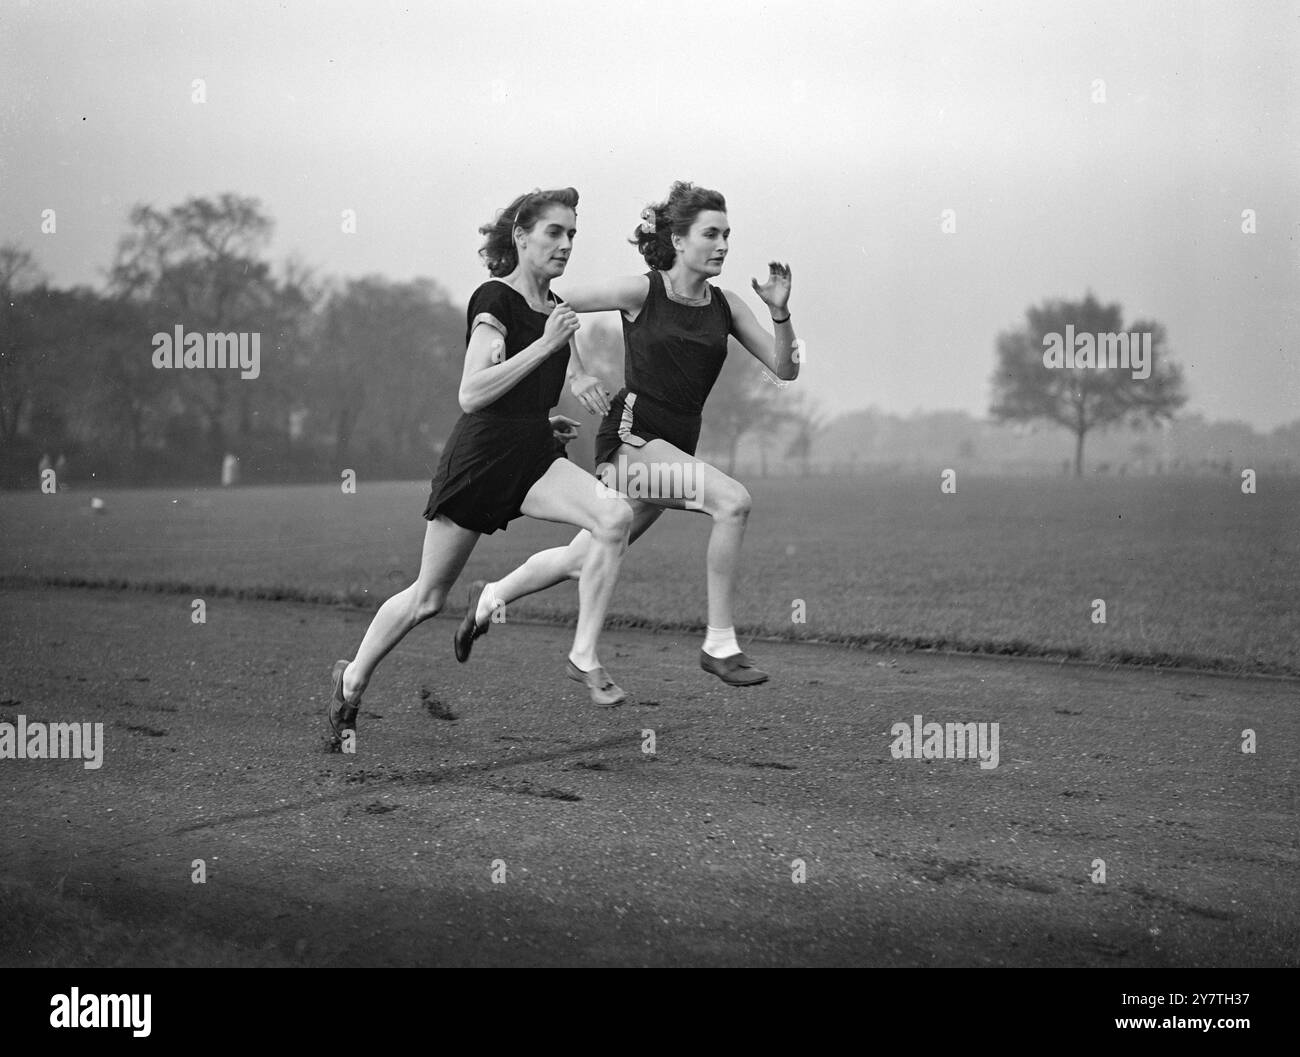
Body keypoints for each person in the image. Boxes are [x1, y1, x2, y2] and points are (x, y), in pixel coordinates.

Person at [454, 181, 797, 686]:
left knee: (582, 557)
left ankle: (490, 597)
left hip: (671, 452)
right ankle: (719, 644)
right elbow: (550, 300)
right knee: (732, 501)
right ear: (679, 240)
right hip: (629, 444)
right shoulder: (643, 290)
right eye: (711, 234)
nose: (723, 245)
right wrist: (577, 372)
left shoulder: (727, 307)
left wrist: (780, 312)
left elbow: (785, 369)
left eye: (727, 235)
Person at [328, 187, 635, 746]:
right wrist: (545, 348)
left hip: (533, 458)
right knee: (428, 598)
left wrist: (550, 417)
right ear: (521, 237)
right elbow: (472, 393)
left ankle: (583, 654)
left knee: (614, 518)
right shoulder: (493, 300)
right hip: (479, 461)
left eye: (571, 235)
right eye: (553, 232)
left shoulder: (560, 312)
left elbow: (546, 383)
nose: (565, 244)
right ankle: (351, 680)